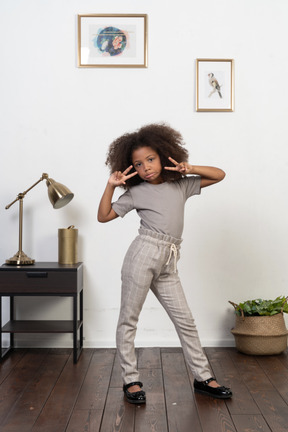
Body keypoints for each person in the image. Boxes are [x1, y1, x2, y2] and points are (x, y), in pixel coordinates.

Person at [98, 123, 232, 403]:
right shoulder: (136, 193)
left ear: (163, 155)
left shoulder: (180, 184)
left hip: (169, 259)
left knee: (186, 321)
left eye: (150, 159)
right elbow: (104, 216)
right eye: (138, 163)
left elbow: (219, 175)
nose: (146, 167)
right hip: (143, 254)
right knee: (129, 320)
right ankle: (131, 380)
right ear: (130, 167)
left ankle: (203, 378)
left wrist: (189, 167)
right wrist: (110, 186)